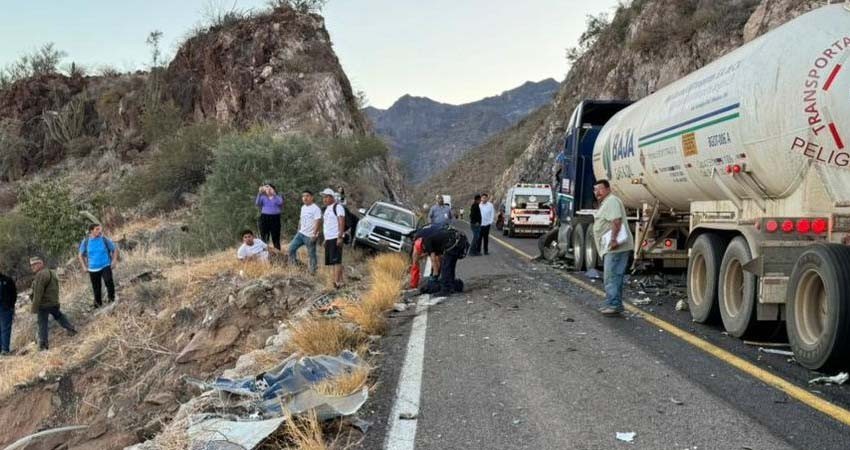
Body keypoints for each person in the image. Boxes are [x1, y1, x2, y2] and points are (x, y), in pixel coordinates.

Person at [592, 179, 634, 316]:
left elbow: (616, 220)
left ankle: (614, 304)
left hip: (615, 247)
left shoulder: (612, 201)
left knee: (611, 276)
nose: (597, 192)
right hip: (611, 247)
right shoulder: (607, 202)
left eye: (600, 189)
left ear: (608, 189)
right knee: (614, 276)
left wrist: (614, 240)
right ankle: (614, 303)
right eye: (595, 190)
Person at [30, 257, 76, 351]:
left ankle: (43, 345)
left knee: (42, 323)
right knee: (59, 316)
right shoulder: (51, 272)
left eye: (35, 264)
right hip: (53, 302)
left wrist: (34, 308)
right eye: (31, 265)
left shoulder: (40, 275)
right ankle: (71, 329)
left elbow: (38, 293)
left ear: (41, 263)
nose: (33, 267)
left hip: (44, 304)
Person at [418, 226, 468, 296]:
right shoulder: (436, 243)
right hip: (460, 240)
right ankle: (451, 286)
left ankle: (445, 290)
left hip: (454, 242)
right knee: (450, 266)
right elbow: (439, 260)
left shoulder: (427, 241)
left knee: (446, 267)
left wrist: (435, 276)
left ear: (423, 247)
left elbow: (433, 260)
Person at [78, 224, 118, 308]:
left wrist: (114, 261)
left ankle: (112, 300)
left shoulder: (104, 239)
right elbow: (80, 255)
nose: (99, 231)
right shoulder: (85, 241)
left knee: (109, 282)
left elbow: (114, 249)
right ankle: (98, 305)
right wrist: (84, 267)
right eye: (97, 229)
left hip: (105, 265)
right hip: (93, 269)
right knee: (96, 288)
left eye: (100, 229)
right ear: (91, 231)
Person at [289, 190, 323, 274]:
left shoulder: (316, 209)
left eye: (307, 196)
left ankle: (313, 271)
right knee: (291, 249)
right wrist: (298, 230)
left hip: (310, 235)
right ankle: (294, 267)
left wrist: (315, 235)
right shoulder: (303, 207)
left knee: (311, 254)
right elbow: (301, 219)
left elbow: (318, 221)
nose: (305, 198)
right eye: (303, 196)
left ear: (312, 197)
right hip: (301, 234)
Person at [321, 188, 346, 289]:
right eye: (324, 197)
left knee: (336, 261)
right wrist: (325, 239)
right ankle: (339, 281)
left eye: (327, 197)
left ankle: (337, 283)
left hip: (335, 237)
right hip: (329, 238)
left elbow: (341, 221)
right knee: (333, 261)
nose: (325, 199)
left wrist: (340, 237)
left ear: (332, 197)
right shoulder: (327, 209)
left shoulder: (338, 207)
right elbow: (327, 225)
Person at [256, 184, 283, 251]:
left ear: (274, 189)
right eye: (267, 188)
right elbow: (257, 203)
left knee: (276, 236)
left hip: (275, 218)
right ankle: (264, 252)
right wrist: (259, 193)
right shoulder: (263, 197)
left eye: (270, 188)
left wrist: (274, 194)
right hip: (265, 218)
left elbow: (280, 202)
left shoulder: (278, 197)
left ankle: (277, 252)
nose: (268, 190)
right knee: (264, 236)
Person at [0, 271, 16, 354]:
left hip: (5, 308)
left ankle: (5, 350)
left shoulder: (7, 280)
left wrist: (10, 305)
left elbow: (14, 294)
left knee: (5, 328)